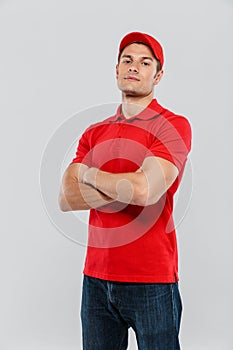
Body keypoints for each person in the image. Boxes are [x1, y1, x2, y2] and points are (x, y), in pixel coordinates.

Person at [59, 31, 192, 350]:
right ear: (116, 69)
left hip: (152, 280)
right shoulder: (94, 132)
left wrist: (87, 173)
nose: (134, 67)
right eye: (127, 60)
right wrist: (127, 187)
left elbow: (145, 191)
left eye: (145, 62)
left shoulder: (172, 125)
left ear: (158, 75)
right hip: (95, 280)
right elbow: (66, 198)